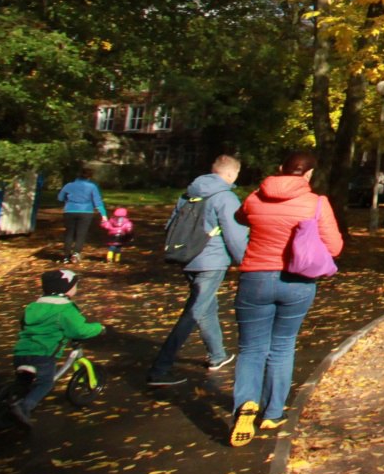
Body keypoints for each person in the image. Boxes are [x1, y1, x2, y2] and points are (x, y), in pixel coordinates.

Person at [229, 150, 343, 446]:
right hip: (298, 282)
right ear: (308, 175)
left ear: (280, 169)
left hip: (255, 278)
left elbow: (240, 216)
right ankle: (273, 412)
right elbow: (335, 247)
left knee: (251, 348)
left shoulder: (255, 197)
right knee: (282, 345)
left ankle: (246, 403)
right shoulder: (316, 203)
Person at [147, 156, 250, 388]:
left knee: (205, 307)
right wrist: (245, 261)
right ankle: (160, 368)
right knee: (193, 312)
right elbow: (235, 235)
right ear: (232, 174)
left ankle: (218, 355)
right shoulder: (226, 198)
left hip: (187, 258)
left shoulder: (188, 194)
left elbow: (171, 225)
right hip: (211, 261)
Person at [9, 269, 104, 427]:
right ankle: (25, 407)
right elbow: (79, 330)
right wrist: (98, 328)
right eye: (75, 285)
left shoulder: (33, 306)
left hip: (21, 351)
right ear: (66, 289)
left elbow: (24, 324)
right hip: (44, 353)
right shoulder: (66, 309)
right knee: (45, 383)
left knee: (23, 381)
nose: (76, 288)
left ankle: (12, 399)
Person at [56, 169, 108, 262]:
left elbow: (60, 198)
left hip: (70, 211)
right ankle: (76, 253)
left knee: (69, 233)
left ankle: (66, 256)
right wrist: (103, 215)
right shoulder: (92, 186)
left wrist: (67, 200)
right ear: (89, 177)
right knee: (81, 233)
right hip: (86, 212)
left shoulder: (68, 185)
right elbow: (97, 201)